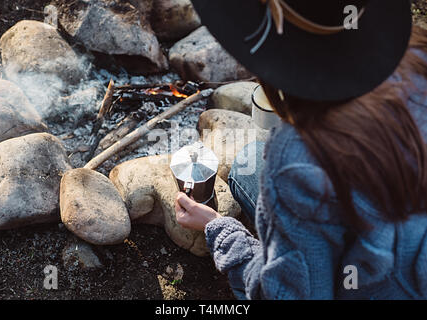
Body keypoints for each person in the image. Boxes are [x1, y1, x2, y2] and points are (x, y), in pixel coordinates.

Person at [175, 0, 427, 299]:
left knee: (249, 162)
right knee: (253, 159)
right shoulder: (418, 54)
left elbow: (288, 293)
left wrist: (220, 229)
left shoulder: (297, 158)